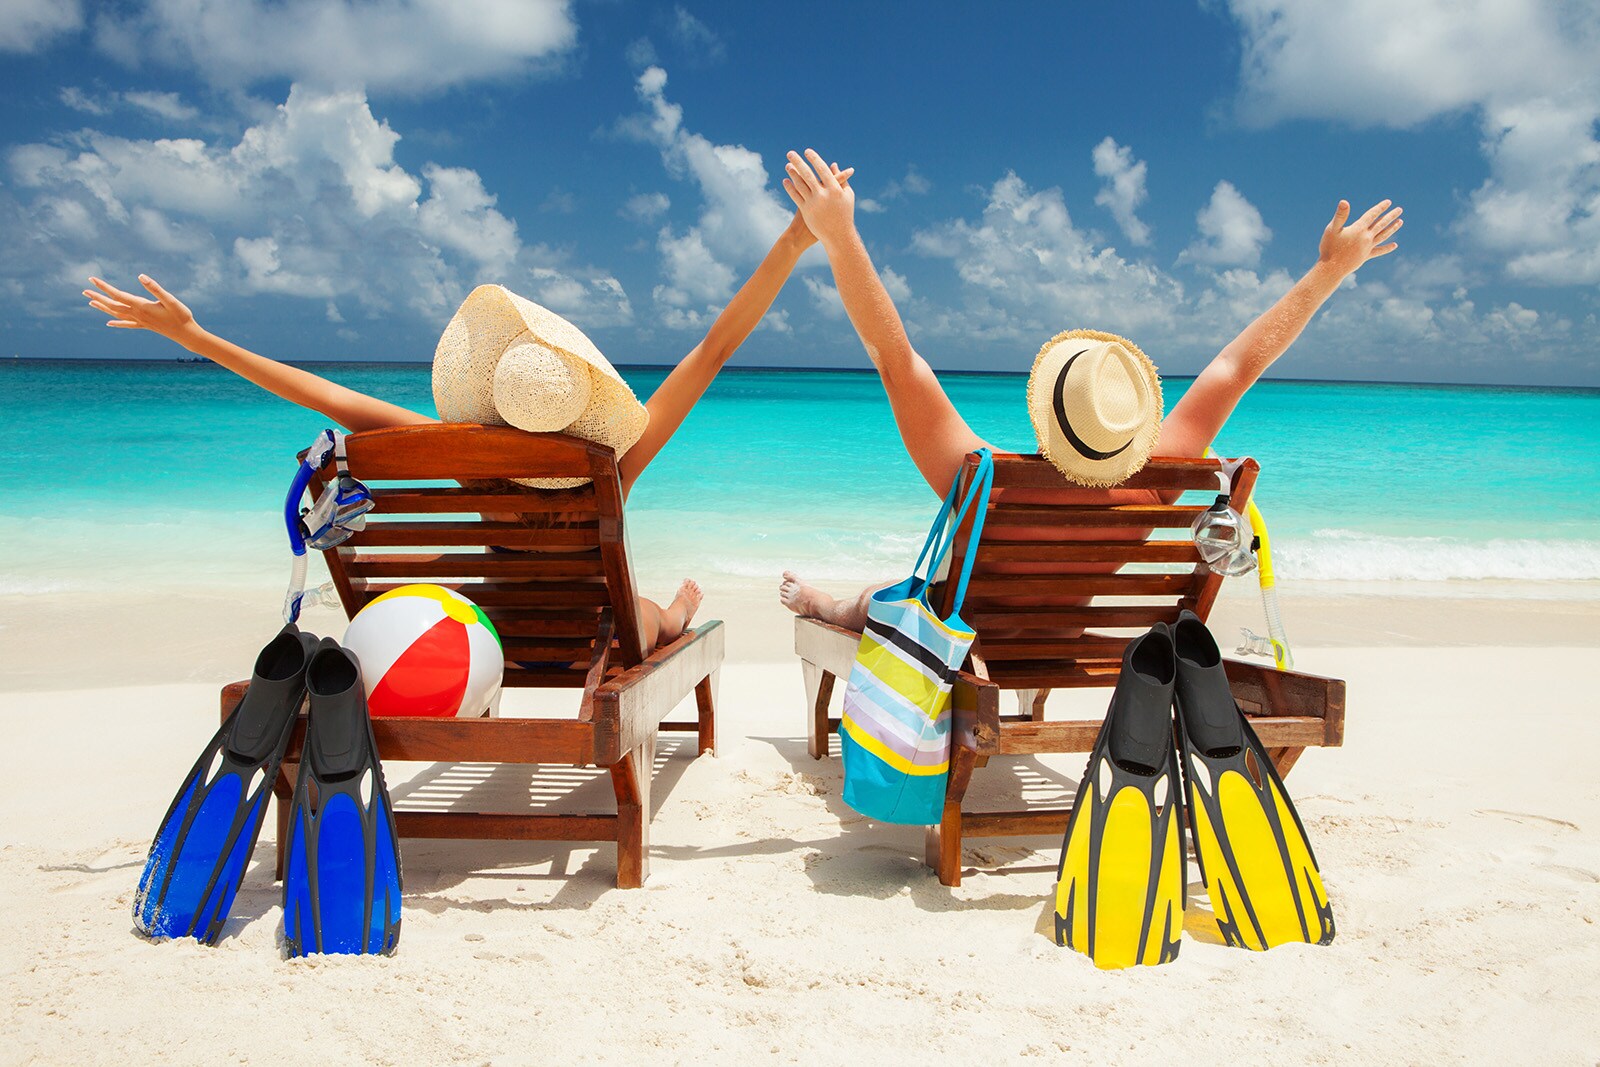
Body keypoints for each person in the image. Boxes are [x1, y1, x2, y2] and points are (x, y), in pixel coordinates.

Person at [84, 166, 852, 649]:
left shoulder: (461, 448)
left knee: (627, 605)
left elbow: (325, 395)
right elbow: (712, 352)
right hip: (592, 631)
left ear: (496, 395)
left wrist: (199, 338)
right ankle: (676, 616)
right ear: (584, 407)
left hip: (497, 628)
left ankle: (662, 612)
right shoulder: (611, 463)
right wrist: (792, 241)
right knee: (648, 614)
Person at [773, 147, 1402, 629]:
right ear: (1131, 428)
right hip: (1061, 631)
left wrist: (839, 233)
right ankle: (839, 603)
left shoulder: (980, 481)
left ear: (1047, 412)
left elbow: (894, 360)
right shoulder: (1157, 484)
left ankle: (827, 605)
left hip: (969, 637)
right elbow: (1235, 370)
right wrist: (1328, 272)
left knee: (876, 601)